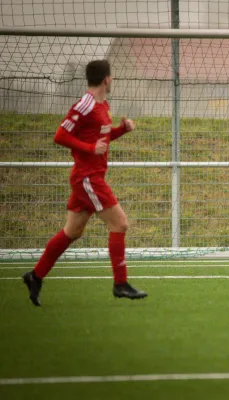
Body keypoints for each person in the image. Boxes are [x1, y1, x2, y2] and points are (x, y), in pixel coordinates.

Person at [22, 60, 147, 306]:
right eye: (112, 77)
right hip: (88, 178)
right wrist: (89, 148)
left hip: (90, 177)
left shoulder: (103, 106)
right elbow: (60, 135)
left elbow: (102, 136)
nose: (113, 81)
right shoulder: (85, 104)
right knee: (120, 224)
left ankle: (35, 276)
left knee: (72, 232)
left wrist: (121, 130)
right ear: (107, 79)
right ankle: (120, 284)